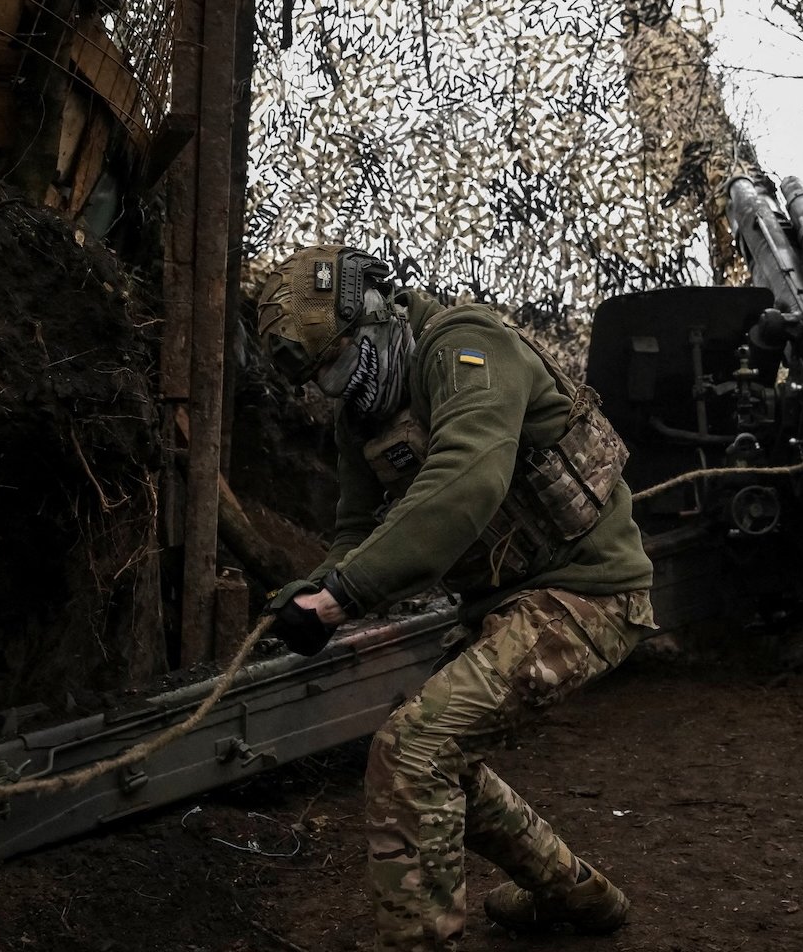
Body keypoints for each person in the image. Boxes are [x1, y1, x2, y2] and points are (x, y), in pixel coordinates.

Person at [252, 245, 657, 951]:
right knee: (439, 757)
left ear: (374, 316)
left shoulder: (465, 346)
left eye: (337, 366)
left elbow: (465, 482)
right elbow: (355, 531)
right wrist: (313, 591)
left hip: (590, 594)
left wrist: (342, 596)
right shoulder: (363, 423)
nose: (336, 391)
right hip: (507, 605)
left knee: (413, 753)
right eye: (319, 382)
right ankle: (582, 898)